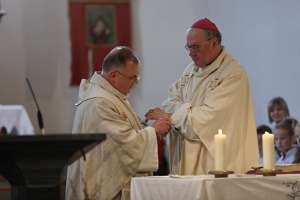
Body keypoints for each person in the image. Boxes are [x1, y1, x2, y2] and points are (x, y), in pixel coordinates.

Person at [145, 18, 259, 175]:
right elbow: (170, 101)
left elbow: (205, 121)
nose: (190, 53)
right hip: (185, 161)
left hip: (216, 165)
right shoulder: (190, 71)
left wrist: (170, 116)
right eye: (188, 47)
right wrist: (178, 113)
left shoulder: (233, 75)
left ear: (214, 43)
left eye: (196, 47)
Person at [65, 46, 171, 200]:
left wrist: (148, 129)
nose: (135, 83)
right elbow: (123, 145)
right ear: (114, 75)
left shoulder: (111, 96)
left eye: (137, 78)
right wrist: (153, 132)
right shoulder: (99, 103)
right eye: (132, 78)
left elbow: (123, 133)